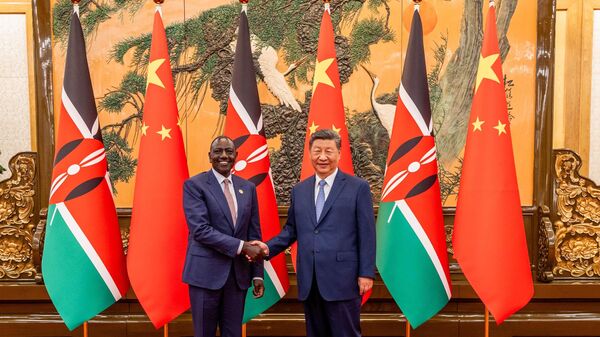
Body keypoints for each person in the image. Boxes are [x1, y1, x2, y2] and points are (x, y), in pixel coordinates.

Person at [254, 129, 376, 337]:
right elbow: (291, 230)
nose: (322, 157)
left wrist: (366, 273)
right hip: (310, 280)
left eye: (329, 151)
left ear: (339, 154)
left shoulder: (358, 188)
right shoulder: (299, 190)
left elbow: (367, 234)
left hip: (343, 280)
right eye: (317, 150)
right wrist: (267, 248)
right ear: (309, 153)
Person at [182, 136, 267, 337]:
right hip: (205, 275)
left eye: (229, 151)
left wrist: (257, 273)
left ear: (236, 156)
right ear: (209, 156)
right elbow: (200, 230)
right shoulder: (195, 185)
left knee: (233, 333)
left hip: (237, 277)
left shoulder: (248, 188)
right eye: (218, 151)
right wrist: (242, 247)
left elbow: (253, 233)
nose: (223, 156)